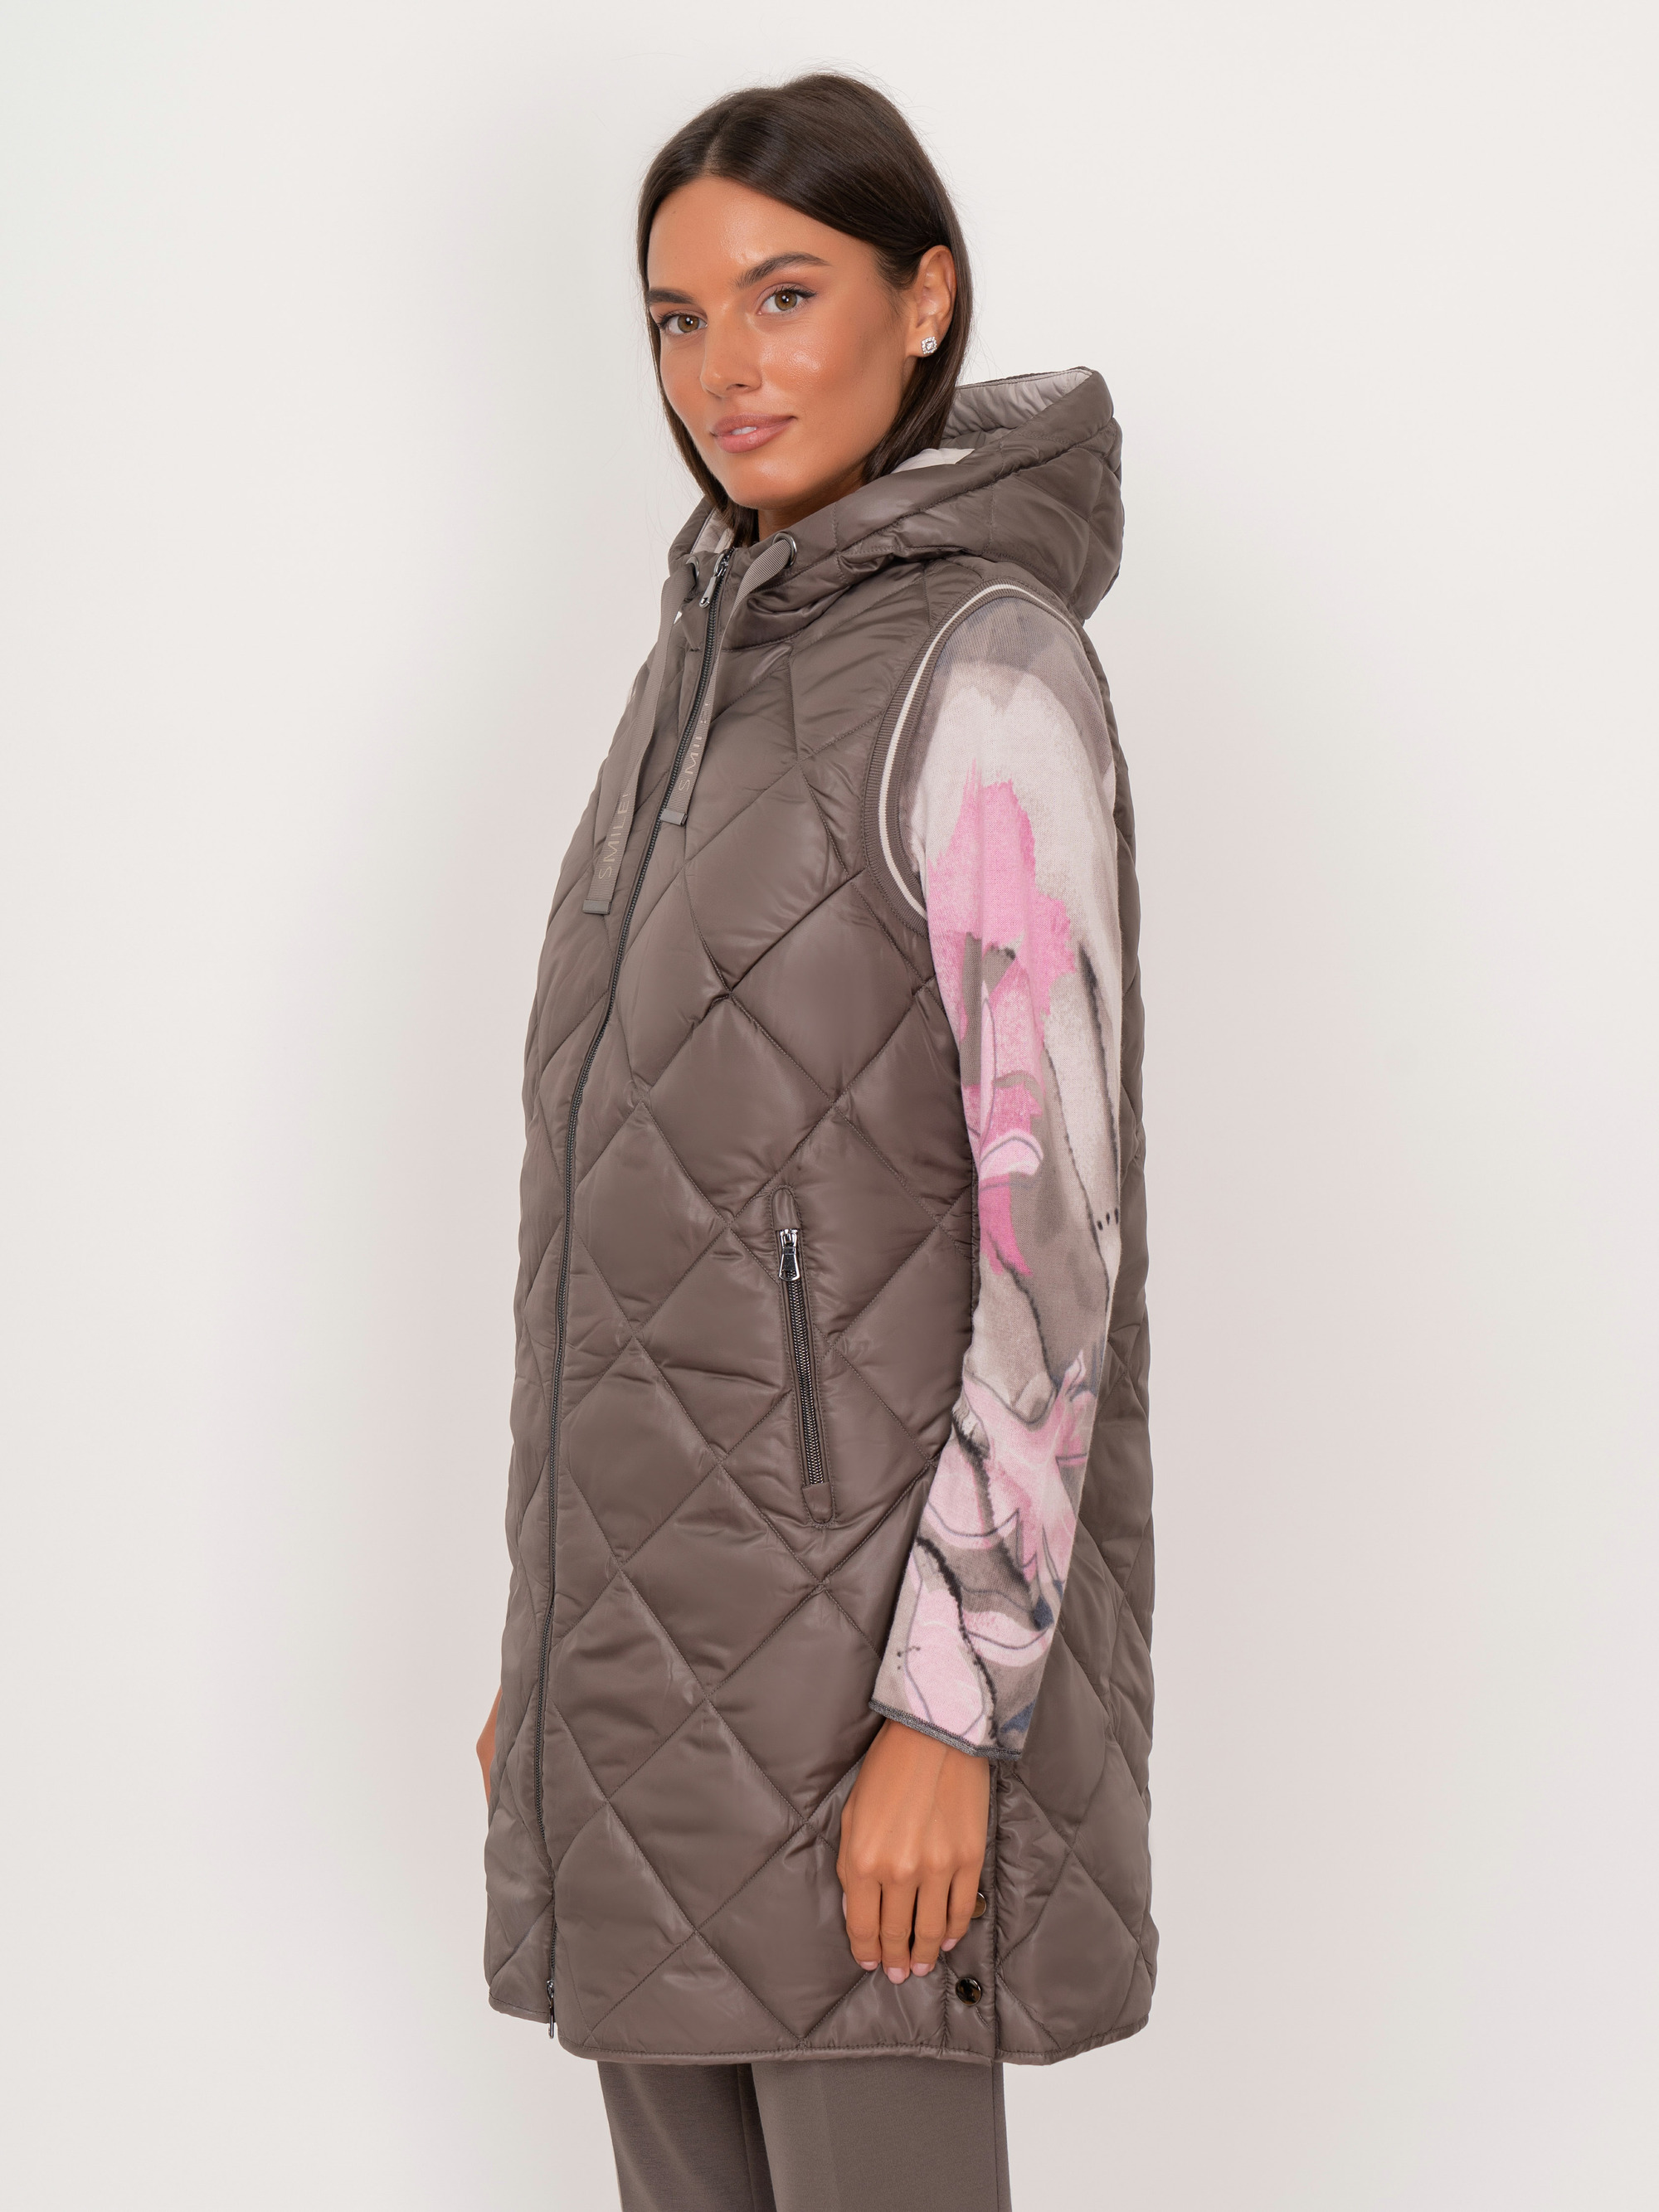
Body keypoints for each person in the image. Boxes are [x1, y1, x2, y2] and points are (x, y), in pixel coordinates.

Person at [475, 72, 1156, 2212]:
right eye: (677, 318)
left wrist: (953, 1711)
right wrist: (551, 1656)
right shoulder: (697, 671)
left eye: (785, 294)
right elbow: (645, 1230)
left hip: (872, 1697)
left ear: (923, 297)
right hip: (650, 1691)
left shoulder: (987, 670)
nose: (724, 368)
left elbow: (1059, 1251)